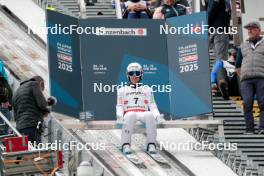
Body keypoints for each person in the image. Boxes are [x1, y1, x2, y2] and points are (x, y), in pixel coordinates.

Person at [116, 62, 162, 154]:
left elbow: (152, 106)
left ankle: (151, 144)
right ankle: (125, 144)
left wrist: (157, 116)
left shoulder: (147, 89)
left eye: (137, 73)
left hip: (143, 112)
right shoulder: (122, 90)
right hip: (129, 112)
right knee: (130, 115)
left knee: (149, 115)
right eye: (131, 74)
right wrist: (119, 116)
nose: (134, 76)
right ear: (128, 75)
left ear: (141, 74)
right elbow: (119, 106)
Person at [235, 21, 264, 135]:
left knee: (263, 104)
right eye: (248, 29)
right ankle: (249, 129)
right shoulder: (243, 45)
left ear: (258, 30)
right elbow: (237, 65)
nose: (249, 31)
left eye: (252, 29)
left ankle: (262, 128)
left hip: (261, 78)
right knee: (247, 104)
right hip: (246, 80)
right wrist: (242, 75)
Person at [12, 76, 56, 144]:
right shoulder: (34, 84)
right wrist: (46, 108)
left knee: (27, 152)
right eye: (41, 91)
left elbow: (16, 115)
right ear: (40, 83)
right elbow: (42, 104)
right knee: (36, 151)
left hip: (20, 128)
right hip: (32, 126)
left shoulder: (17, 92)